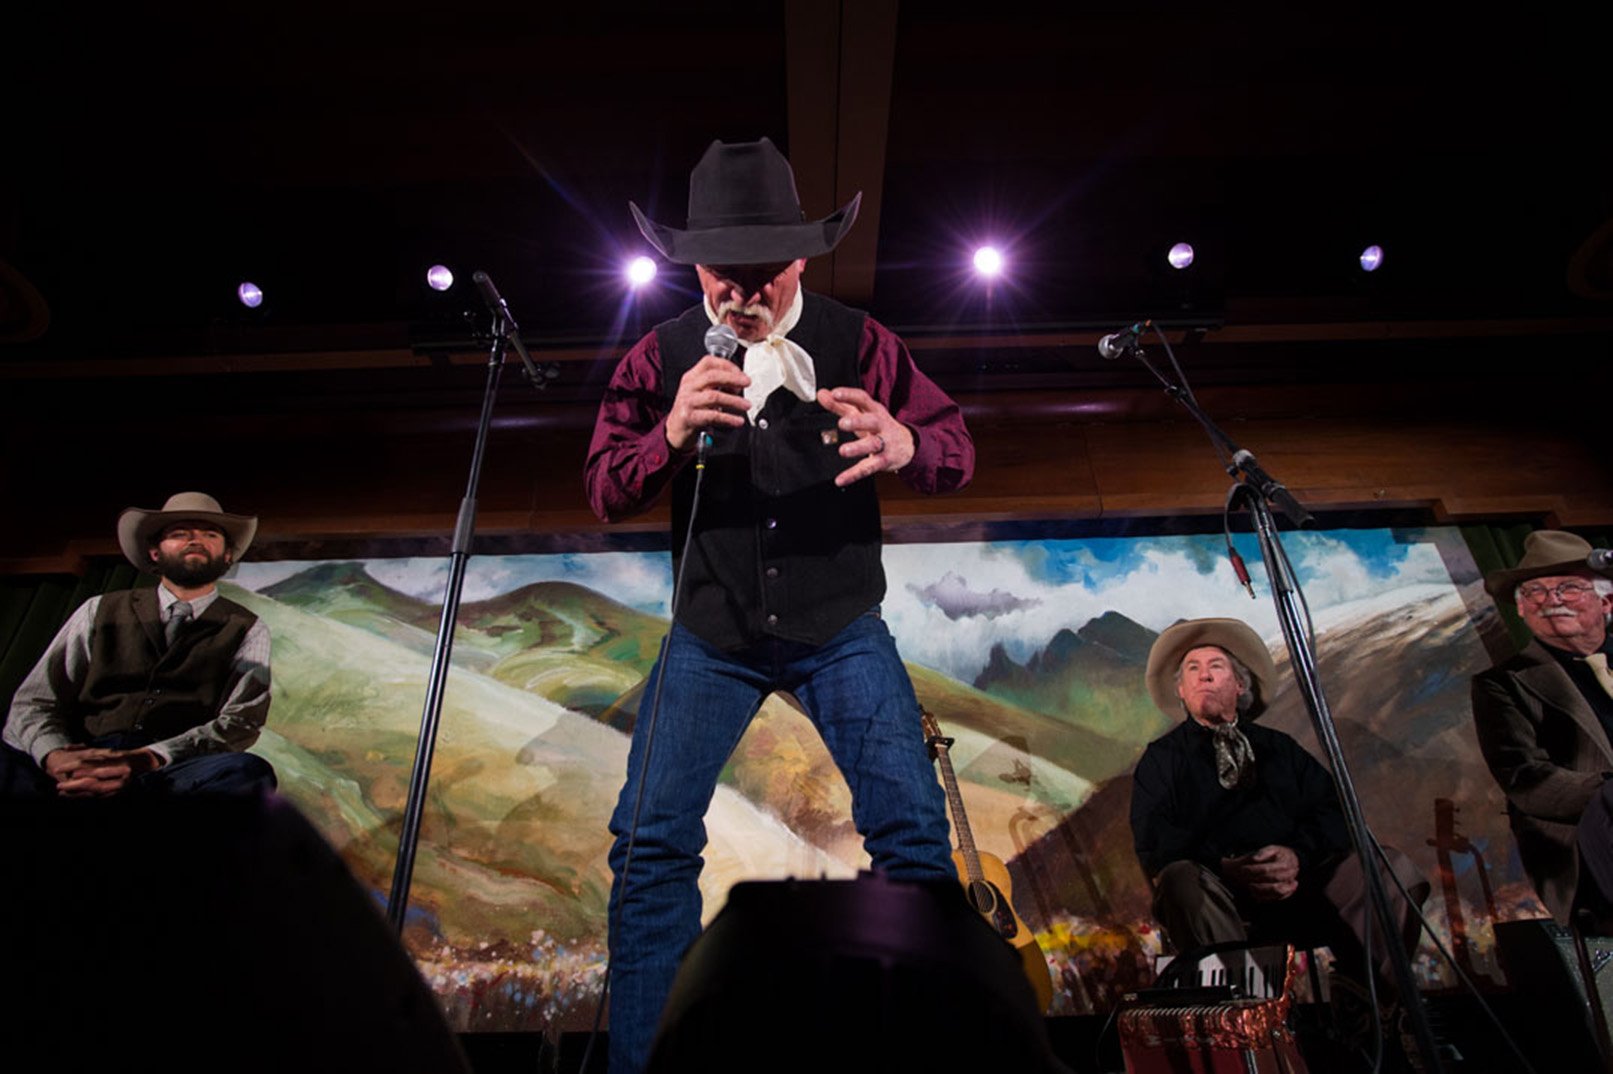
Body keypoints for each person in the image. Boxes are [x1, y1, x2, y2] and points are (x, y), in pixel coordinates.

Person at [585, 137, 974, 1073]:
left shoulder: (860, 340)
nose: (739, 295)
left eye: (762, 274)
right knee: (646, 847)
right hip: (710, 632)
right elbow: (603, 487)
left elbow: (953, 443)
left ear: (802, 259)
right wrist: (670, 433)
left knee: (914, 838)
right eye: (721, 276)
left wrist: (906, 447)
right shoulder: (662, 353)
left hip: (839, 626)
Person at [1130, 618, 1427, 995]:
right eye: (1193, 669)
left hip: (1301, 889)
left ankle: (1373, 1004)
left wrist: (1296, 855)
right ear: (1181, 691)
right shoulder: (1162, 760)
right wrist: (1224, 866)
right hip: (1220, 901)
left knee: (1393, 870)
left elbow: (1336, 815)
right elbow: (1155, 839)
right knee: (1180, 880)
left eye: (1215, 667)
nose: (1204, 676)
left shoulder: (1280, 748)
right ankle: (1248, 1018)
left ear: (1239, 685)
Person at [1, 491, 275, 797]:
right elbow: (35, 701)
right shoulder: (99, 609)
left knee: (247, 773)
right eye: (180, 533)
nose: (195, 540)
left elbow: (242, 721)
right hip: (80, 751)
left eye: (210, 534)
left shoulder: (247, 627)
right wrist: (57, 756)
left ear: (227, 556)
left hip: (167, 769)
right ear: (155, 552)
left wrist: (149, 758)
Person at [1471, 529, 1613, 929]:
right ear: (1520, 610)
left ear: (1606, 600)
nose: (1551, 600)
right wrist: (1607, 790)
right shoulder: (1504, 684)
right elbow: (1525, 779)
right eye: (1534, 591)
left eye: (1568, 588)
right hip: (1586, 845)